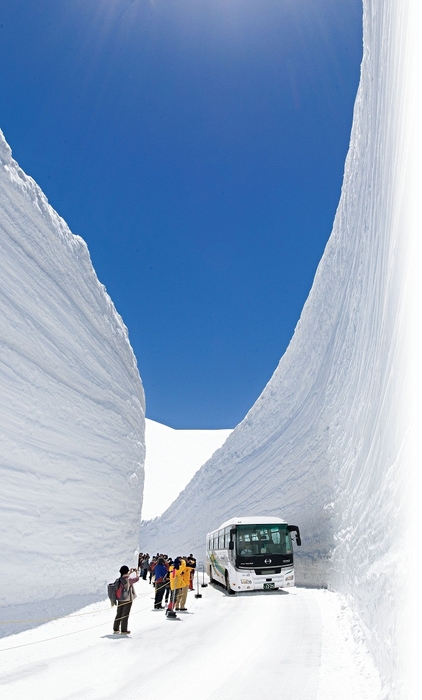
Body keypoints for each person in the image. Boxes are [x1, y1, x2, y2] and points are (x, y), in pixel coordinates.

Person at [113, 565, 139, 634]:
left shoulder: (119, 579)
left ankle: (116, 628)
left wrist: (129, 573)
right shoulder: (128, 580)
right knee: (125, 615)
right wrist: (136, 572)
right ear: (126, 572)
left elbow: (125, 577)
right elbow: (137, 579)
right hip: (127, 599)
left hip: (120, 599)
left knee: (119, 613)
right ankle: (124, 630)